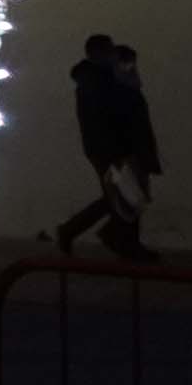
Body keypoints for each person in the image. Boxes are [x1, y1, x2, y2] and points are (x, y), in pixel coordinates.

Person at [52, 33, 161, 257]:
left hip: (115, 147)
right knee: (126, 195)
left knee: (122, 195)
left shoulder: (102, 79)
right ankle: (121, 241)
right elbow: (118, 113)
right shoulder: (99, 82)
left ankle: (92, 233)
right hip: (114, 148)